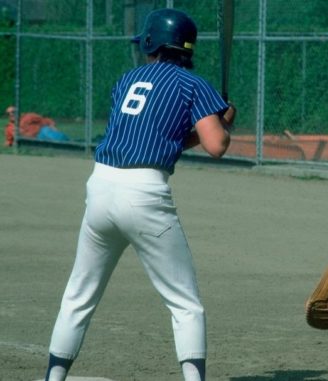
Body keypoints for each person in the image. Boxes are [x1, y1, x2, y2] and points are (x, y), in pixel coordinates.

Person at [43, 8, 235, 381]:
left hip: (99, 188)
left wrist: (216, 122)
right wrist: (223, 123)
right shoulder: (193, 84)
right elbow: (217, 146)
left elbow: (168, 138)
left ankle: (54, 377)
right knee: (185, 304)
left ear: (153, 44)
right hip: (145, 195)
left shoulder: (128, 79)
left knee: (79, 295)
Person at [3, 105, 69, 146]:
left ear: (18, 111)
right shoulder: (9, 128)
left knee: (47, 132)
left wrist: (52, 125)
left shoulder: (28, 116)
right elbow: (9, 141)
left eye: (13, 112)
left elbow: (44, 120)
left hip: (41, 133)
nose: (11, 114)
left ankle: (69, 143)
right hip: (34, 141)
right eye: (8, 113)